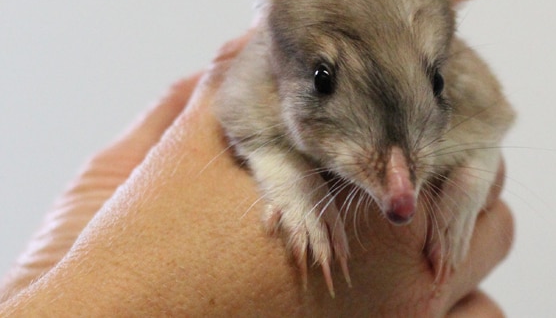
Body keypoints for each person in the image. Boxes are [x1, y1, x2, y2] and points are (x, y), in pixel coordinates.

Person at [0, 34, 513, 316]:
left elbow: (492, 121)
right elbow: (241, 116)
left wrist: (36, 289)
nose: (399, 194)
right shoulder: (268, 68)